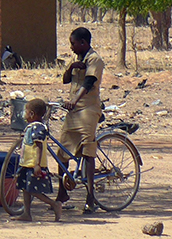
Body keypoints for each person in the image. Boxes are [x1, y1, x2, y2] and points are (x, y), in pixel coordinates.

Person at [59, 27, 104, 213]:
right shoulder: (76, 59)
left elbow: (88, 83)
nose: (71, 47)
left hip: (88, 109)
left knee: (88, 152)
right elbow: (65, 80)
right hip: (73, 111)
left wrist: (74, 101)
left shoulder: (95, 60)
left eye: (73, 43)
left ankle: (90, 197)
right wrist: (70, 68)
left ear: (83, 43)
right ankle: (62, 193)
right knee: (62, 151)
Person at [15, 97, 61, 222]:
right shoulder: (31, 127)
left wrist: (37, 165)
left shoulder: (38, 128)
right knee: (25, 188)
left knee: (34, 190)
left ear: (31, 114)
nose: (24, 114)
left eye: (26, 111)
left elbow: (39, 146)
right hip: (26, 163)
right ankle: (27, 213)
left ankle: (54, 204)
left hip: (33, 164)